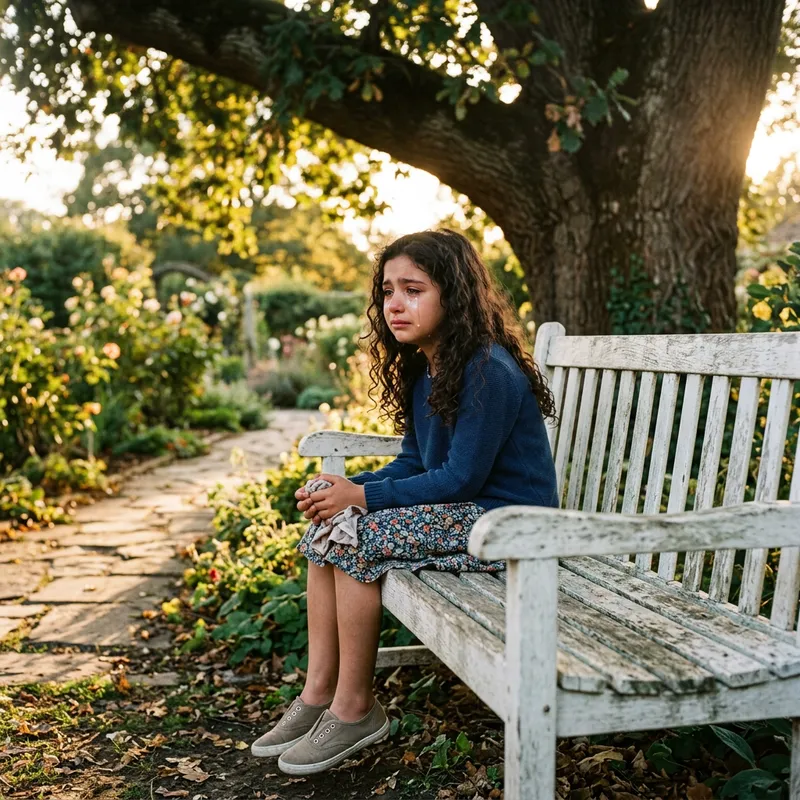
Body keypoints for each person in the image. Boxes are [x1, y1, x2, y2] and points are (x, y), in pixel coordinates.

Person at [250, 228, 559, 775]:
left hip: (511, 522)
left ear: (454, 296)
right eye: (388, 291)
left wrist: (363, 497)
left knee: (355, 534)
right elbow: (415, 464)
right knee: (331, 525)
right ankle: (319, 692)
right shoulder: (427, 369)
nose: (395, 304)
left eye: (413, 290)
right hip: (466, 515)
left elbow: (459, 479)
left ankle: (355, 709)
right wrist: (346, 491)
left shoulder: (486, 369)